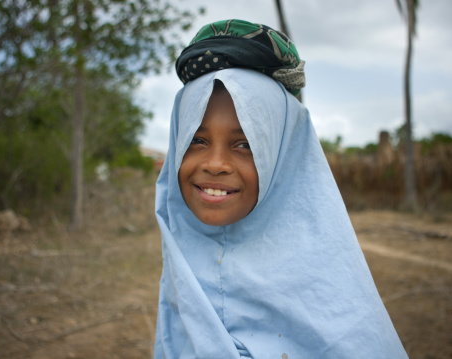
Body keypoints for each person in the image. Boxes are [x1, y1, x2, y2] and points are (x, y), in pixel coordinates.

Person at [154, 19, 408, 358]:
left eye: (245, 144)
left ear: (283, 156)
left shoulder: (337, 309)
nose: (215, 163)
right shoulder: (181, 266)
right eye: (197, 140)